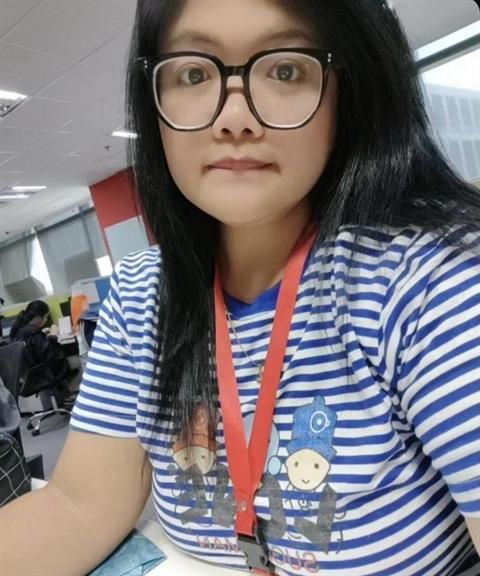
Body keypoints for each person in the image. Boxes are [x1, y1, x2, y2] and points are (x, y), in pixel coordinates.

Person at [0, 1, 479, 575]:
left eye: (284, 69)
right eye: (193, 73)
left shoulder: (429, 280)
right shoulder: (141, 293)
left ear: (347, 92)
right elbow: (76, 507)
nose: (234, 118)